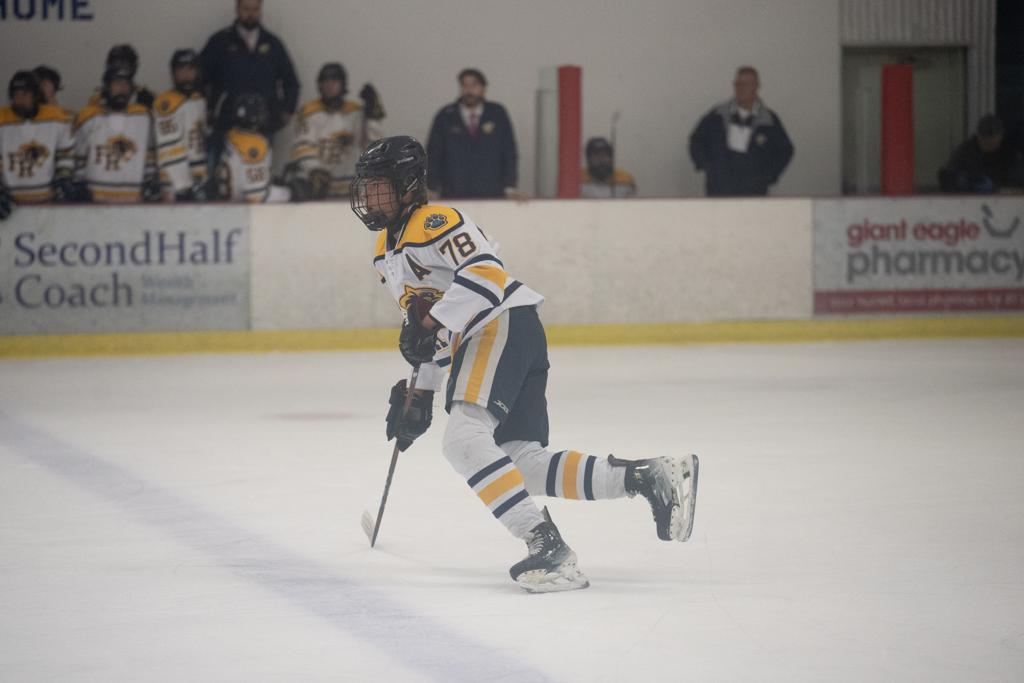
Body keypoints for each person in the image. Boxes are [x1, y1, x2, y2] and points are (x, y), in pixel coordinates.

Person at [351, 136, 699, 593]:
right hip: (502, 333)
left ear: (408, 184)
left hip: (500, 325)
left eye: (379, 185)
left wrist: (432, 322)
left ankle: (546, 546)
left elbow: (486, 273)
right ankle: (650, 478)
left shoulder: (436, 220)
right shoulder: (384, 252)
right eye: (366, 186)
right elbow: (426, 331)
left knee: (463, 441)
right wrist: (423, 391)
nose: (369, 196)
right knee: (522, 464)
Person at [200, 0, 300, 141]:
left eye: (255, 9)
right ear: (237, 9)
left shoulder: (273, 43)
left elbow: (291, 81)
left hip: (264, 124)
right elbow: (200, 77)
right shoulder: (219, 41)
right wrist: (206, 109)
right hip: (226, 123)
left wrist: (287, 110)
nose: (251, 14)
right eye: (246, 9)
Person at [688, 66, 793, 197]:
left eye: (745, 85)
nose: (740, 88)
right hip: (719, 191)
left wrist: (769, 176)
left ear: (756, 87)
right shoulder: (716, 115)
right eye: (737, 84)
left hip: (754, 192)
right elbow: (696, 140)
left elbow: (786, 150)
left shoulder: (770, 121)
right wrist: (708, 167)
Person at [288, 62, 384, 200]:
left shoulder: (356, 112)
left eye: (334, 80)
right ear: (319, 85)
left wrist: (372, 119)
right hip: (317, 186)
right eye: (325, 81)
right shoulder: (309, 111)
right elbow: (302, 146)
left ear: (343, 84)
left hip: (351, 187)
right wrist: (314, 169)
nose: (329, 85)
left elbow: (372, 147)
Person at [426, 68, 522, 199]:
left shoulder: (497, 113)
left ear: (483, 88)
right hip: (454, 191)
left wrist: (510, 186)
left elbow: (509, 151)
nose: (469, 90)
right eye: (464, 85)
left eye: (474, 85)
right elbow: (434, 153)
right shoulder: (446, 115)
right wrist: (431, 187)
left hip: (492, 191)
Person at [73, 65, 159, 203]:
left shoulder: (144, 117)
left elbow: (150, 155)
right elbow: (79, 159)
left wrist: (150, 181)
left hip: (133, 201)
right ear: (106, 87)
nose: (122, 88)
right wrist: (79, 186)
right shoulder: (88, 117)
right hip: (95, 203)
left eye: (126, 84)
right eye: (117, 83)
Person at [0, 71, 75, 220]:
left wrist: (64, 180)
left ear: (35, 96)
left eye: (24, 94)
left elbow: (65, 153)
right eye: (16, 95)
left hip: (47, 204)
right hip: (10, 206)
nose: (19, 99)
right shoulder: (2, 119)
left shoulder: (56, 118)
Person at [153, 49, 209, 202]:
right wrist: (183, 186)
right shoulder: (166, 104)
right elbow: (169, 149)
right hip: (175, 185)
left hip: (198, 181)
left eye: (191, 69)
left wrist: (200, 181)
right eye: (181, 70)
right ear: (173, 74)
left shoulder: (199, 100)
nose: (186, 75)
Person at [214, 92, 289, 203]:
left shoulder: (231, 135)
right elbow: (256, 196)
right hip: (243, 207)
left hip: (225, 202)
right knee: (293, 192)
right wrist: (289, 192)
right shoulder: (255, 145)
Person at [939, 114, 1024, 193]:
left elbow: (1018, 185)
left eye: (992, 142)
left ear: (1001, 136)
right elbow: (948, 179)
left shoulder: (1010, 154)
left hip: (1004, 200)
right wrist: (965, 183)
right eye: (984, 141)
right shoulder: (966, 152)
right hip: (969, 199)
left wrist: (996, 188)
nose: (988, 144)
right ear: (978, 136)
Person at [88, 44, 156, 110]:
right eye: (118, 82)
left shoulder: (145, 101)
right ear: (108, 85)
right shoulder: (95, 106)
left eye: (127, 83)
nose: (122, 88)